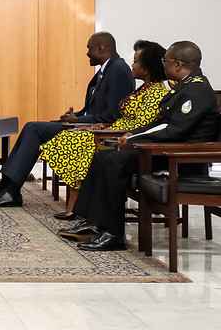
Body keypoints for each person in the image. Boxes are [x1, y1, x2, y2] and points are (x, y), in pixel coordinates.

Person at [59, 41, 218, 251]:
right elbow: (162, 124)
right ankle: (95, 222)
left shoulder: (196, 91)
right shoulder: (186, 86)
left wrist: (134, 139)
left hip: (179, 159)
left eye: (166, 61)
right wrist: (132, 135)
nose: (163, 65)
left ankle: (114, 234)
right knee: (102, 156)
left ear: (178, 64)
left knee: (115, 161)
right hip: (165, 151)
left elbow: (175, 130)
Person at [0, 31, 135, 207]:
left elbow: (112, 116)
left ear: (102, 48)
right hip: (84, 125)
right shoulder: (106, 70)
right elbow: (92, 109)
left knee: (34, 129)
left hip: (94, 132)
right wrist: (76, 116)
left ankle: (10, 189)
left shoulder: (118, 70)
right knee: (31, 128)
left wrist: (77, 121)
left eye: (89, 48)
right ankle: (6, 186)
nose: (87, 53)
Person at [39, 40, 170, 220]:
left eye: (136, 61)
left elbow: (141, 125)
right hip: (113, 131)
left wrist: (108, 130)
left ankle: (76, 207)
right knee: (70, 135)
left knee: (74, 141)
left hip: (122, 139)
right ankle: (77, 205)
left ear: (146, 69)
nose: (132, 64)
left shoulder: (157, 93)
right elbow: (126, 117)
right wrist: (103, 126)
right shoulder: (144, 89)